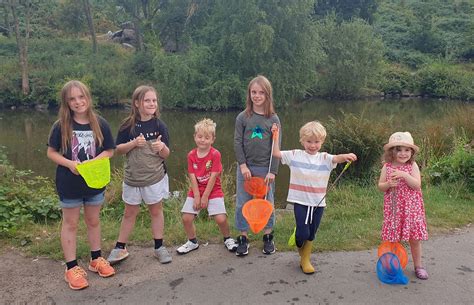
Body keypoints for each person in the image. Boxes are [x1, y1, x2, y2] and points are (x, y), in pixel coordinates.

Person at [47, 80, 116, 290]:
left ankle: (96, 259)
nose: (78, 102)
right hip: (70, 184)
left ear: (88, 97)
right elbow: (51, 152)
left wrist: (93, 162)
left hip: (94, 183)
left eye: (81, 97)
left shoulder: (100, 123)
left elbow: (110, 150)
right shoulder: (61, 125)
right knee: (71, 224)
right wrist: (70, 164)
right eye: (72, 99)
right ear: (66, 103)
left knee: (93, 221)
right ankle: (71, 268)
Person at [271, 121, 357, 274]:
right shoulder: (295, 155)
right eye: (309, 141)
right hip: (300, 201)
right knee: (302, 234)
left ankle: (305, 259)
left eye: (316, 142)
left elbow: (337, 158)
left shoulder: (325, 158)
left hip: (318, 203)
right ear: (302, 141)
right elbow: (276, 154)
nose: (312, 145)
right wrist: (275, 136)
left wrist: (346, 156)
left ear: (322, 142)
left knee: (311, 233)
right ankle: (299, 242)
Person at [107, 85, 172, 265]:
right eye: (147, 100)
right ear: (137, 103)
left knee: (156, 211)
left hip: (154, 178)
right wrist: (134, 143)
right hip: (132, 179)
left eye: (154, 100)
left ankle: (159, 247)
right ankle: (120, 247)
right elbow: (117, 150)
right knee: (129, 212)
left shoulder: (160, 125)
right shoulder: (128, 126)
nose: (152, 104)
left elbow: (166, 154)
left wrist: (162, 148)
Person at [234, 75, 281, 256]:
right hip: (246, 168)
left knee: (266, 203)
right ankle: (243, 237)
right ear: (249, 94)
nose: (257, 96)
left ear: (267, 95)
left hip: (265, 169)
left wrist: (273, 171)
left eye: (261, 92)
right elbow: (237, 142)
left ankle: (268, 237)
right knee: (242, 203)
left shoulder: (274, 119)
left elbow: (276, 148)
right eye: (254, 92)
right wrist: (243, 165)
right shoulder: (243, 118)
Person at [176, 118, 238, 255]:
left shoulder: (215, 154)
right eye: (199, 137)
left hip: (213, 189)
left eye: (206, 137)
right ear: (194, 137)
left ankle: (228, 238)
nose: (202, 140)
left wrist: (205, 197)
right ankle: (192, 242)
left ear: (212, 139)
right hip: (196, 190)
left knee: (220, 219)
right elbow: (192, 176)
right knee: (186, 218)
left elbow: (213, 176)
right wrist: (197, 196)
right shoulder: (191, 155)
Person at [377, 131, 429, 280]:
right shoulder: (387, 167)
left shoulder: (412, 166)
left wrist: (405, 176)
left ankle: (418, 266)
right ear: (391, 152)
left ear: (411, 152)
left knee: (414, 239)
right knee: (393, 239)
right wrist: (388, 184)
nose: (403, 153)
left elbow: (417, 185)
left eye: (407, 150)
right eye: (398, 150)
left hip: (411, 210)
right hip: (394, 210)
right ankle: (394, 265)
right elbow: (380, 186)